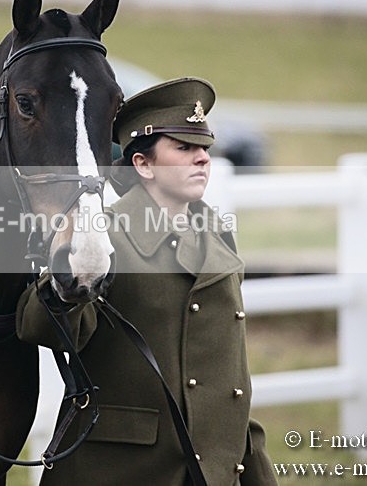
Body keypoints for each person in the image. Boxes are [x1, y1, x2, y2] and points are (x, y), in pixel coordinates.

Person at [17, 77, 276, 485]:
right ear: (143, 164)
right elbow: (41, 327)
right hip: (121, 471)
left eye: (204, 148)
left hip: (210, 471)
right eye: (184, 148)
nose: (202, 159)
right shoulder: (104, 236)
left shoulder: (216, 233)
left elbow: (229, 381)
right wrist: (64, 286)